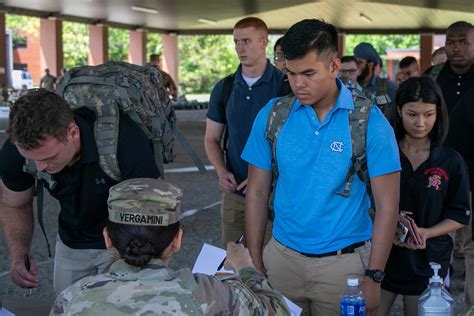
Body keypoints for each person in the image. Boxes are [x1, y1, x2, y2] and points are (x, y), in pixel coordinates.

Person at [242, 19, 401, 315]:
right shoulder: (273, 116)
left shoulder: (369, 122)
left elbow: (387, 205)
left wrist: (374, 277)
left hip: (346, 268)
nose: (297, 83)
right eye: (290, 73)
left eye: (308, 73)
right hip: (281, 261)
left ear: (334, 66)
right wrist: (254, 260)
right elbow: (257, 193)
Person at [50, 178, 290, 315]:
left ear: (107, 239)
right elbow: (278, 311)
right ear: (177, 240)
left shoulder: (73, 297)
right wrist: (246, 269)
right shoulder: (210, 294)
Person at [0, 89, 160, 294]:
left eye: (49, 157)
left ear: (73, 132)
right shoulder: (18, 151)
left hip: (125, 241)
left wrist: (129, 258)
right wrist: (19, 253)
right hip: (72, 241)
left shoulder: (125, 141)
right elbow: (15, 203)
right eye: (33, 159)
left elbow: (151, 211)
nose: (39, 167)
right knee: (68, 305)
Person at [377, 76, 470, 316]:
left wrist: (426, 233)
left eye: (428, 114)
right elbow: (365, 200)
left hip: (430, 262)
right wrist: (388, 223)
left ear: (439, 113)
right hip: (381, 256)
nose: (420, 123)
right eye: (412, 114)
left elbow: (459, 214)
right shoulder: (383, 152)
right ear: (399, 110)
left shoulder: (450, 160)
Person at [204, 17, 284, 248]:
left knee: (270, 267)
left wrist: (263, 177)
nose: (240, 48)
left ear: (264, 42)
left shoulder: (284, 86)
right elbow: (211, 139)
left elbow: (295, 143)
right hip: (234, 194)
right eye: (236, 42)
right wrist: (221, 171)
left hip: (275, 196)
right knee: (232, 263)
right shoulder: (224, 88)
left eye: (246, 41)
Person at [425, 21, 474, 309]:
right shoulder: (432, 78)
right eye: (451, 42)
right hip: (437, 175)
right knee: (434, 244)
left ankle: (470, 308)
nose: (456, 48)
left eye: (463, 42)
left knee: (472, 247)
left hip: (473, 177)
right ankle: (431, 305)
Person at [354, 42, 398, 113]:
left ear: (370, 65)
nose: (356, 66)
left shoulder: (389, 87)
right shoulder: (350, 86)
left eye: (360, 62)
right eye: (354, 62)